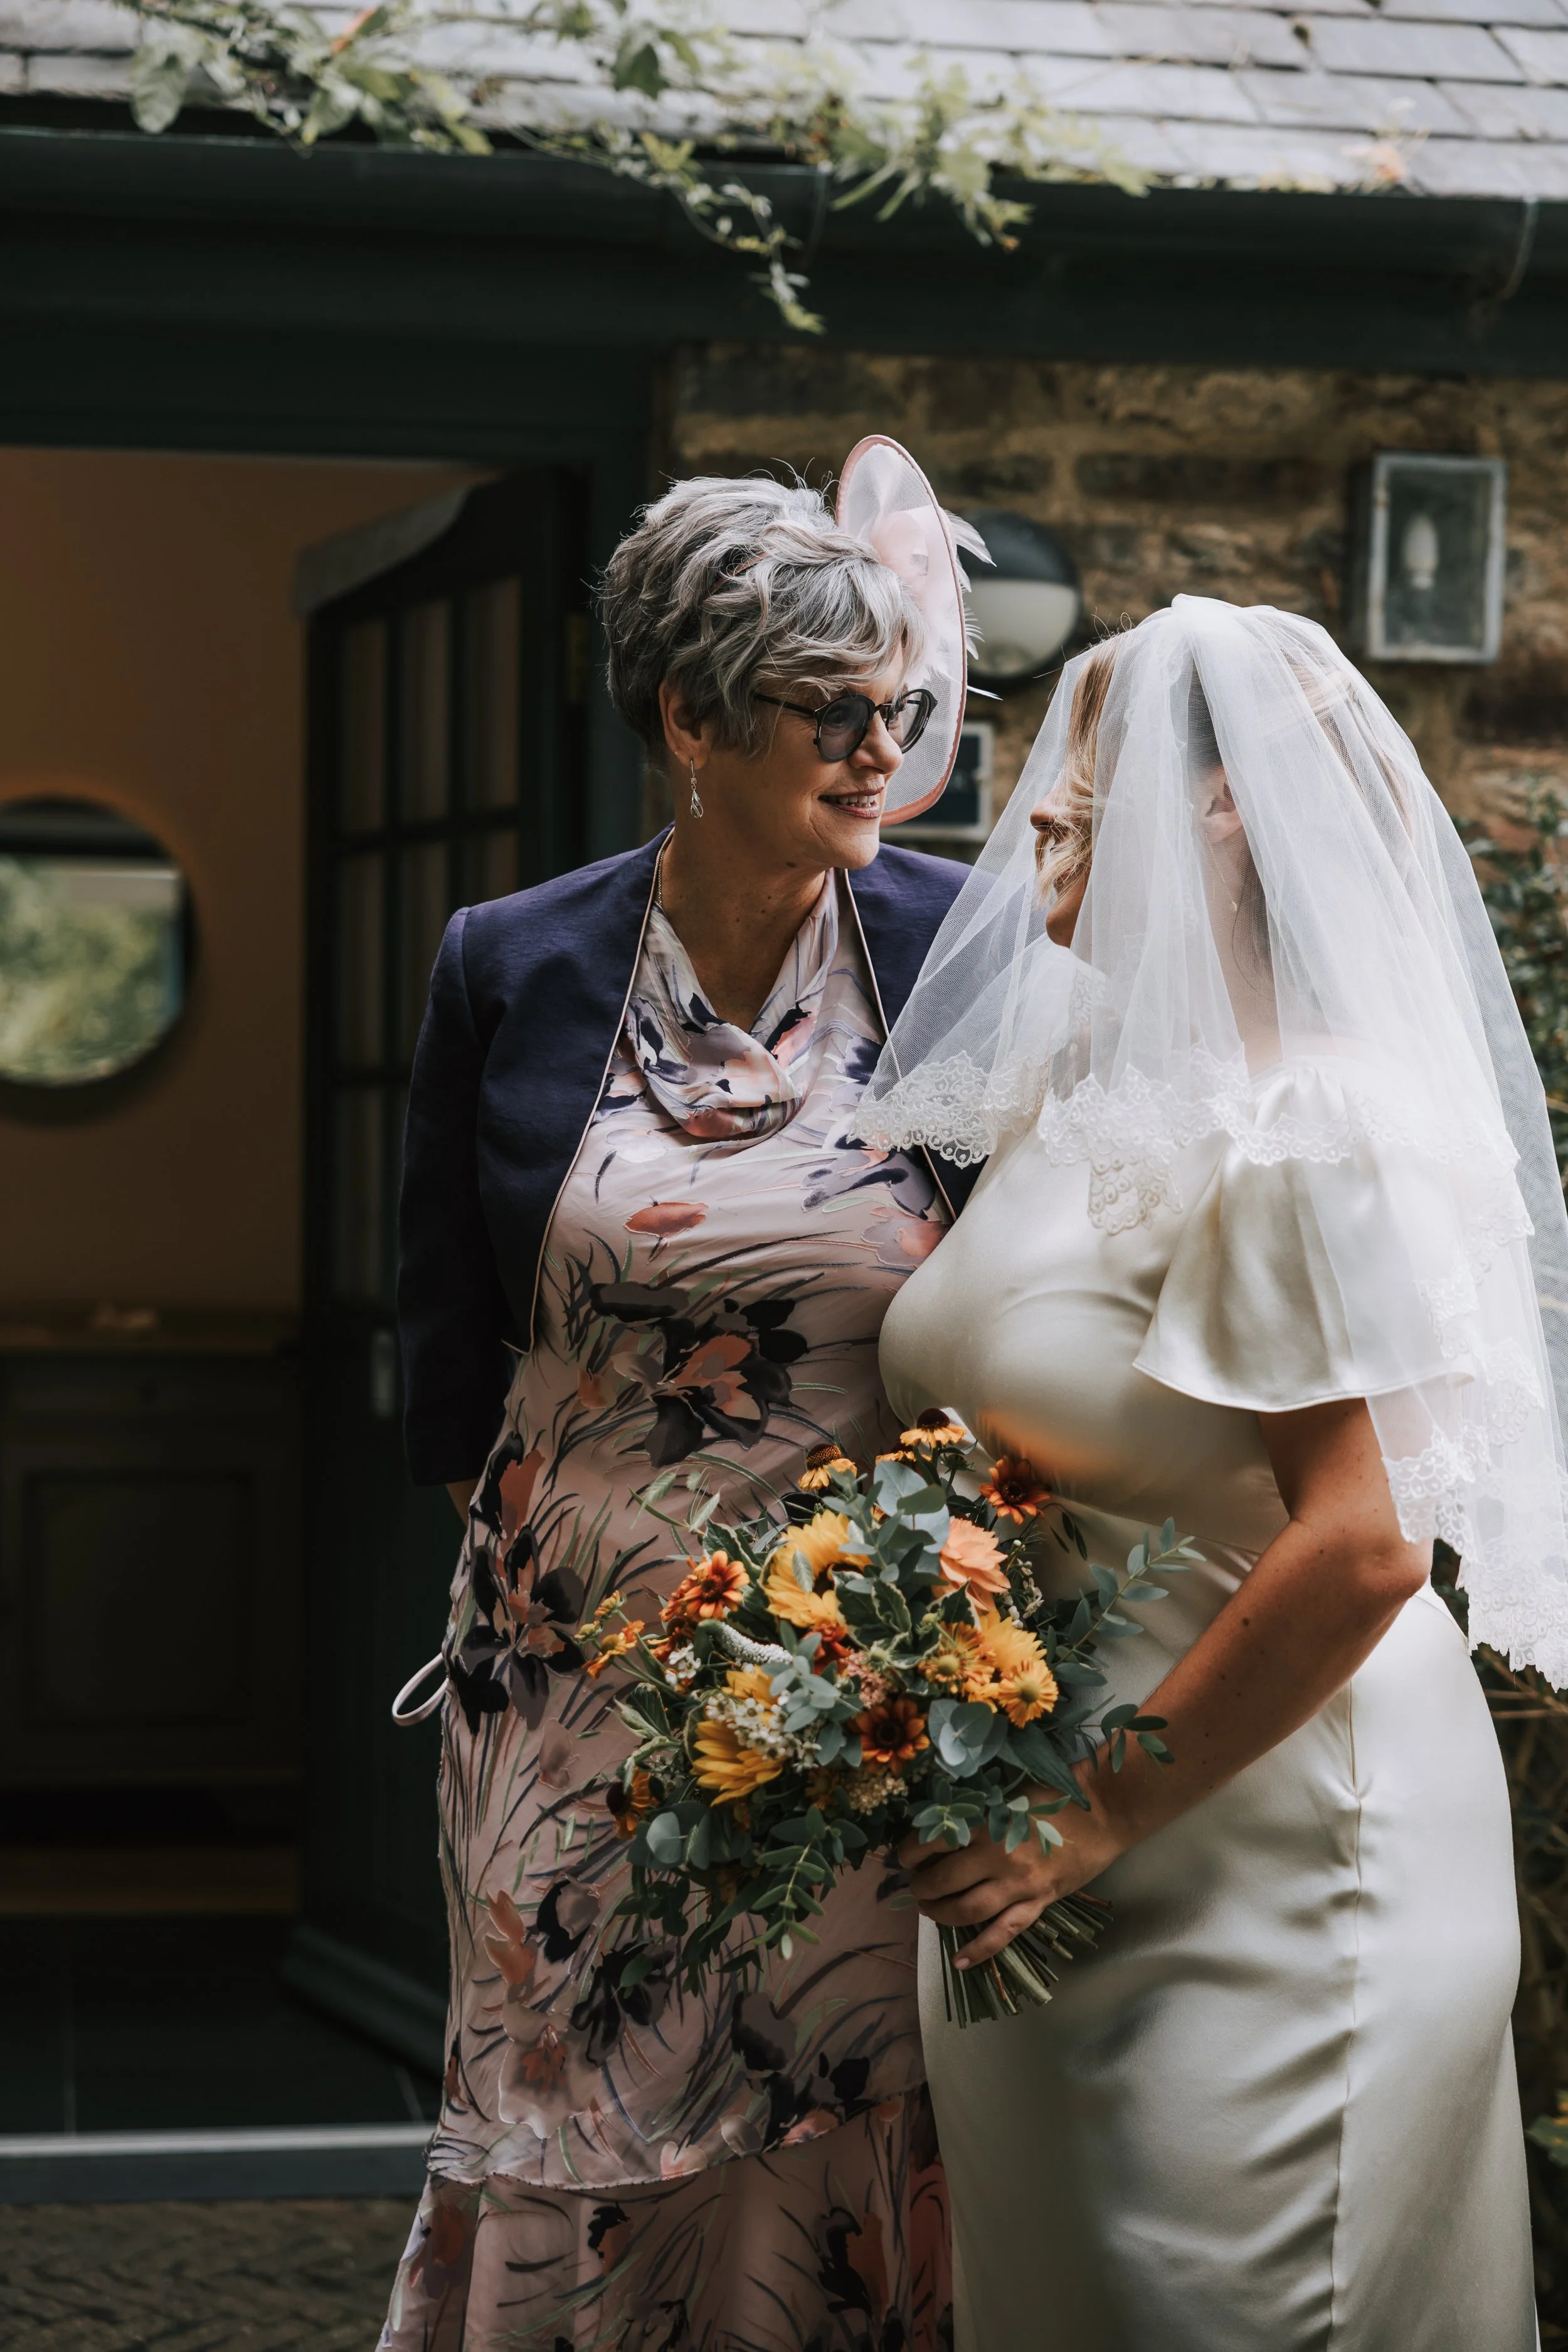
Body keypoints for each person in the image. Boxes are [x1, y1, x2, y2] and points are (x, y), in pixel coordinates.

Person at [855, 597, 1560, 2351]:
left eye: (1081, 764)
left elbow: (1363, 1546)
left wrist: (1089, 1811)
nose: (1033, 809)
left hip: (1263, 1858)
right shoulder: (1076, 1105)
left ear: (1229, 807)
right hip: (1038, 1854)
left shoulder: (1310, 1130)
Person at [379, 466, 982, 2351]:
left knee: (829, 2107)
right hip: (565, 1680)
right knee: (573, 2104)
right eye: (833, 710)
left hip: (854, 1677)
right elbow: (444, 1332)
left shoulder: (962, 954)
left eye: (895, 707)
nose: (882, 748)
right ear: (688, 719)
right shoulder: (513, 960)